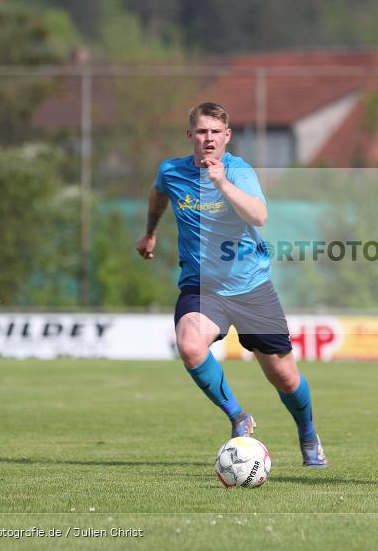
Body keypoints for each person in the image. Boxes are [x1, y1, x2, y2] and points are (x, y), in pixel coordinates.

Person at [136, 101, 327, 468]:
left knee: (284, 377)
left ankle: (307, 434)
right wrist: (149, 233)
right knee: (190, 345)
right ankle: (237, 415)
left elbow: (259, 214)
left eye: (215, 133)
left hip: (251, 287)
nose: (208, 139)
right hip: (202, 287)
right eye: (202, 132)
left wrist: (221, 183)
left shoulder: (238, 171)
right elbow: (158, 192)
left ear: (227, 137)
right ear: (190, 135)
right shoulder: (172, 171)